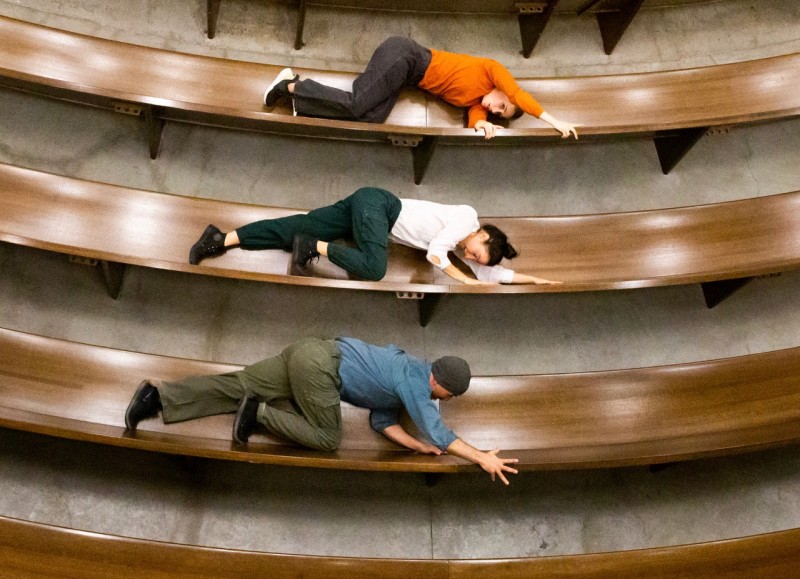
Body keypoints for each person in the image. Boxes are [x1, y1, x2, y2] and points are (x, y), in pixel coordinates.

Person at [124, 336, 520, 485]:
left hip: (311, 351)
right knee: (329, 439)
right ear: (439, 385)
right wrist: (482, 457)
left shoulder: (410, 370)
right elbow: (440, 432)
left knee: (236, 384)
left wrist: (416, 449)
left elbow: (380, 421)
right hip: (320, 370)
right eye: (446, 397)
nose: (441, 402)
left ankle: (155, 397)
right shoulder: (417, 385)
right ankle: (258, 413)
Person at [188, 186, 560, 285]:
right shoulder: (466, 219)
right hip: (377, 207)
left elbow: (496, 276)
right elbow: (435, 255)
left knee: (293, 227)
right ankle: (313, 247)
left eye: (476, 260)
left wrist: (539, 280)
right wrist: (468, 280)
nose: (474, 258)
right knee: (374, 268)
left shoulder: (462, 245)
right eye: (479, 252)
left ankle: (220, 239)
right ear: (481, 234)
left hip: (368, 216)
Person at [263, 36, 579, 140]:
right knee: (359, 104)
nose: (496, 108)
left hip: (404, 76)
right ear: (504, 92)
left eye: (499, 113)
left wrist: (483, 124)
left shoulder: (477, 102)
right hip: (405, 56)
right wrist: (554, 121)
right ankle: (292, 86)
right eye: (502, 104)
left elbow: (474, 118)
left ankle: (298, 100)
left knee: (371, 119)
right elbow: (517, 95)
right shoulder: (492, 71)